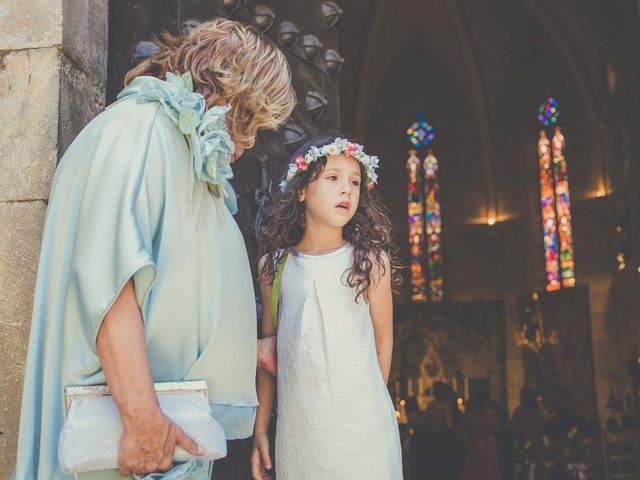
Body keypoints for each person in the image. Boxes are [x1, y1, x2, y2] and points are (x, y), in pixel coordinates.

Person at [13, 18, 295, 480]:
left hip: (165, 440)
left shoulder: (170, 143)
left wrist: (248, 348)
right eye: (249, 122)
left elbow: (174, 295)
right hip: (129, 443)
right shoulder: (138, 131)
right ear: (225, 90)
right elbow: (110, 284)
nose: (245, 145)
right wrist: (143, 422)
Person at [250, 135, 403, 479]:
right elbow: (268, 354)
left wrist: (368, 412)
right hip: (301, 433)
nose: (346, 190)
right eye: (333, 178)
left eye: (354, 182)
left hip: (363, 431)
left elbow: (383, 341)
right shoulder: (275, 267)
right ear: (301, 190)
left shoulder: (369, 261)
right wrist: (261, 429)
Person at [460, 385, 501, 480]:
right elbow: (497, 430)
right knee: (490, 471)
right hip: (491, 445)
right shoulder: (492, 414)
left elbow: (461, 429)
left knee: (474, 470)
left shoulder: (470, 414)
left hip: (475, 443)